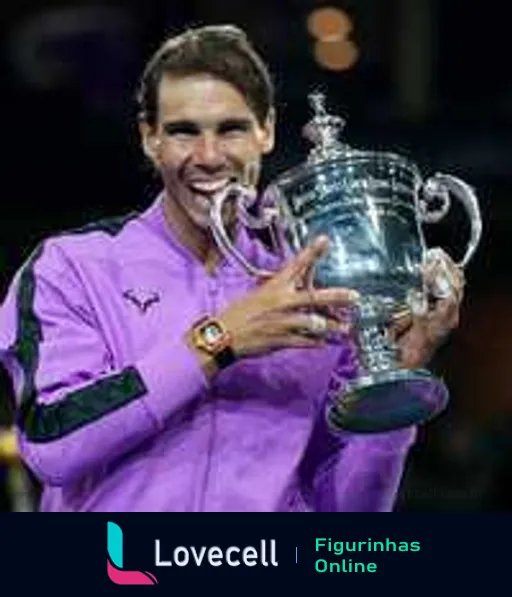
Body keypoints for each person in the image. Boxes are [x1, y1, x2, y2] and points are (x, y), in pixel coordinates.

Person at [0, 25, 464, 512]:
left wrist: (394, 389)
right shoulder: (71, 267)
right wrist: (220, 341)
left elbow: (347, 518)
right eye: (183, 131)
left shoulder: (318, 292)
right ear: (149, 138)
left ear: (266, 132)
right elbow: (52, 445)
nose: (208, 157)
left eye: (231, 129)